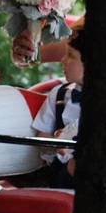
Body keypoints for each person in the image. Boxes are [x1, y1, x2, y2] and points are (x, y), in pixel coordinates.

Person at [32, 16, 85, 187]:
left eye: (70, 56)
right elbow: (43, 140)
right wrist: (57, 145)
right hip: (62, 178)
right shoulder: (59, 96)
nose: (63, 60)